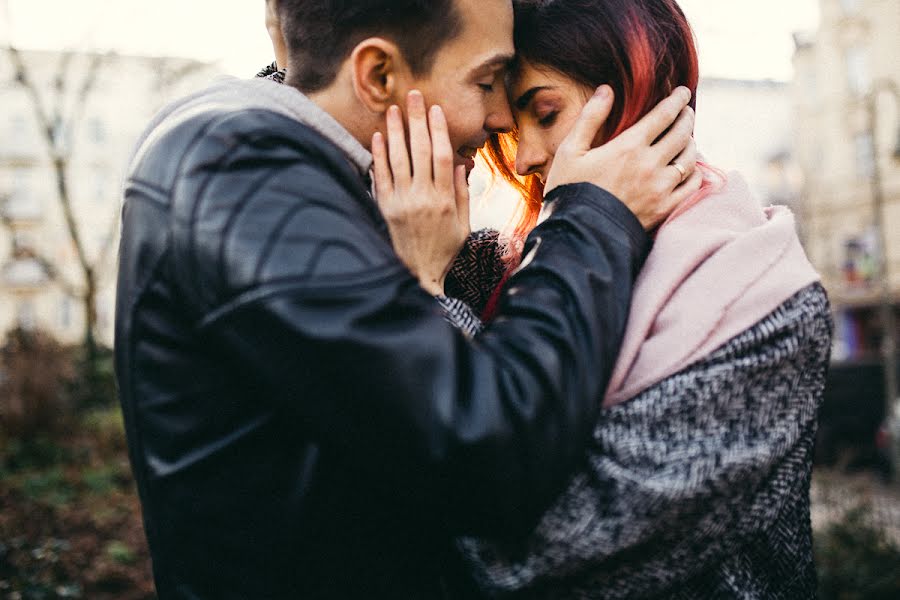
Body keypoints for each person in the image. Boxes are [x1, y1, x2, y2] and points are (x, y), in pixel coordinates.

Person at [114, 0, 700, 598]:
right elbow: (489, 452)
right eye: (486, 80)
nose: (502, 119)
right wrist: (593, 215)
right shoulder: (251, 183)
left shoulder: (277, 163)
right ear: (379, 77)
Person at [374, 0, 833, 597]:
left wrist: (423, 292)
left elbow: (529, 555)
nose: (527, 156)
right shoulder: (506, 263)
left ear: (636, 96)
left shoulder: (761, 301)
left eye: (546, 112)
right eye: (514, 130)